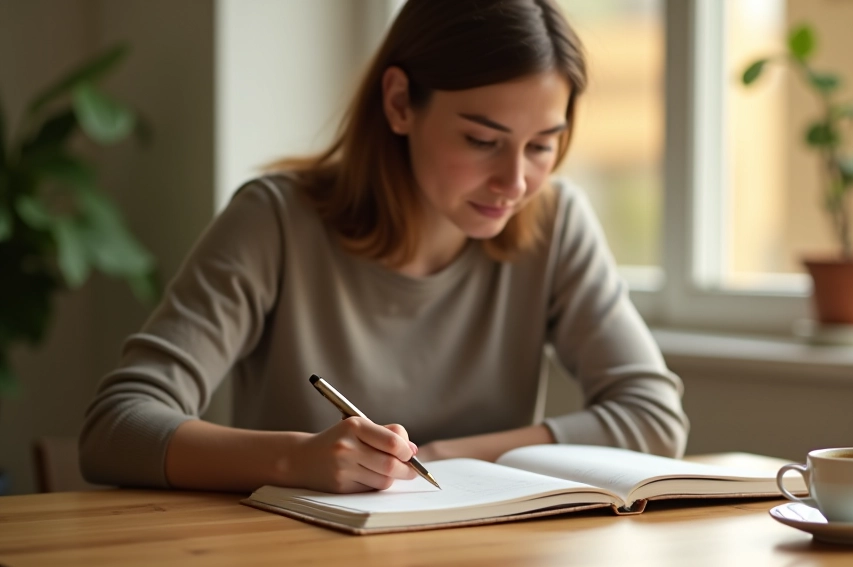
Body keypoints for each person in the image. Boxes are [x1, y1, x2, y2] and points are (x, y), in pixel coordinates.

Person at [79, 0, 688, 494]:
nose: (516, 183)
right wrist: (295, 460)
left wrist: (447, 457)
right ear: (399, 103)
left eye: (541, 145)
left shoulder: (555, 223)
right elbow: (116, 427)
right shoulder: (274, 221)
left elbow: (654, 418)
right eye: (482, 140)